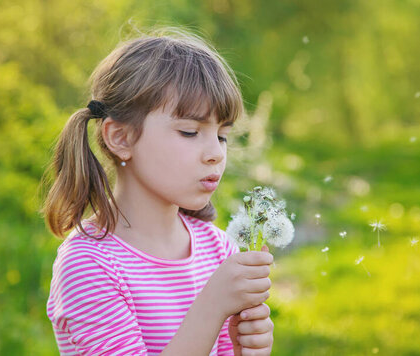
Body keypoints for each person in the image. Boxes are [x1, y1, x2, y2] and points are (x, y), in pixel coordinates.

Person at [41, 28, 274, 356]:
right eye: (190, 132)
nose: (216, 153)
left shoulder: (218, 249)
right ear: (121, 138)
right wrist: (212, 305)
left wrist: (246, 350)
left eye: (221, 135)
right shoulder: (90, 265)